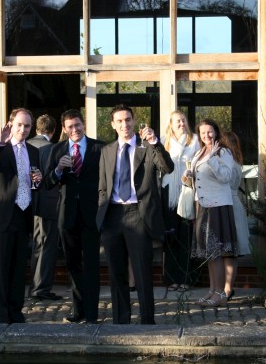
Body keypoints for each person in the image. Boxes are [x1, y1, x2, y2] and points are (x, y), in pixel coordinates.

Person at [97, 104, 174, 324]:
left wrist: (154, 142)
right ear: (113, 124)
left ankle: (147, 319)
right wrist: (101, 214)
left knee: (142, 271)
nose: (125, 125)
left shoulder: (147, 147)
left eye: (128, 120)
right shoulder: (107, 150)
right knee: (116, 273)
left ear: (134, 121)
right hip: (112, 215)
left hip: (138, 214)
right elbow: (103, 186)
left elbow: (168, 168)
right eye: (120, 121)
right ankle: (121, 320)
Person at [0, 108, 42, 323]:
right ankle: (0, 314)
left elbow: (34, 182)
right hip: (2, 213)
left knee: (18, 267)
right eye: (19, 125)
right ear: (10, 125)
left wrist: (38, 180)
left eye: (27, 126)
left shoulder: (33, 151)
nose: (23, 129)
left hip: (23, 213)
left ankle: (16, 311)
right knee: (1, 266)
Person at [44, 109, 104, 323]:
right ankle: (78, 310)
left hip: (91, 215)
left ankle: (92, 313)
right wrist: (59, 169)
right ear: (64, 129)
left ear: (83, 124)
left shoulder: (100, 148)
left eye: (77, 125)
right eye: (70, 126)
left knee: (92, 265)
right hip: (67, 215)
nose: (75, 129)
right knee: (73, 265)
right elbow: (47, 182)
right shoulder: (57, 150)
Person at [184, 119, 237, 307]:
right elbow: (198, 179)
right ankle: (213, 290)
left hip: (218, 206)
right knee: (209, 252)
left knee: (216, 251)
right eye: (203, 132)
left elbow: (226, 177)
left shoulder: (223, 152)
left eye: (210, 131)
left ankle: (221, 293)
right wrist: (187, 177)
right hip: (202, 206)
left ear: (216, 132)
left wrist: (213, 159)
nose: (207, 135)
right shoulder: (199, 152)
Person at [161, 110, 200, 292]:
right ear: (171, 124)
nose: (181, 124)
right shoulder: (164, 141)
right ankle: (171, 279)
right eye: (177, 121)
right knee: (171, 236)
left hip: (187, 192)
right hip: (169, 192)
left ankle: (186, 278)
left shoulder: (195, 141)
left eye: (183, 120)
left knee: (186, 237)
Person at [28, 114, 62, 301]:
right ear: (53, 130)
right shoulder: (53, 149)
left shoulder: (26, 145)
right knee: (48, 245)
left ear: (36, 129)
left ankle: (35, 285)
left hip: (30, 202)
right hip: (49, 201)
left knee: (37, 244)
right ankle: (41, 288)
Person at [222, 131, 252, 300]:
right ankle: (228, 287)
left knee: (229, 251)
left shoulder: (229, 164)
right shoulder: (236, 161)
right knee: (231, 251)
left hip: (228, 205)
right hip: (234, 203)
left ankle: (226, 288)